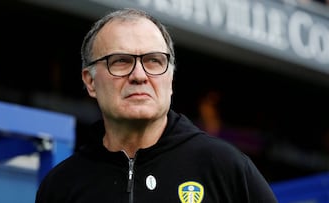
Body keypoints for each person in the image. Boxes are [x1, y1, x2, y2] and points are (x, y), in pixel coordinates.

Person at [35, 8, 278, 203]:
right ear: (90, 81)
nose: (139, 75)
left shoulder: (224, 167)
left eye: (153, 61)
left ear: (170, 79)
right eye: (120, 61)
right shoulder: (61, 186)